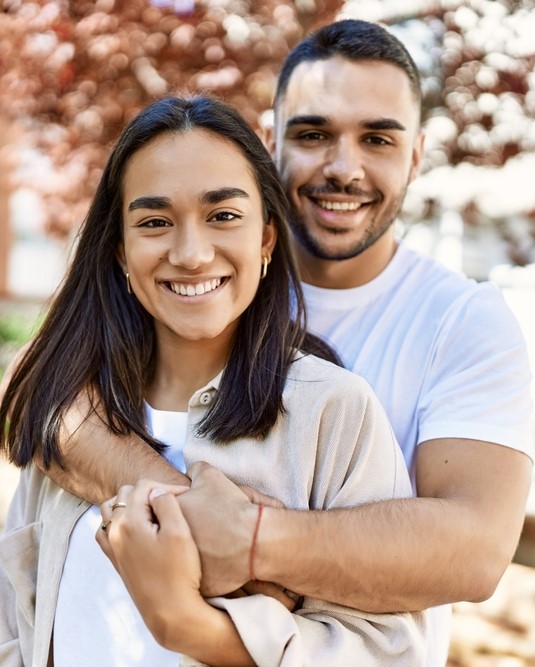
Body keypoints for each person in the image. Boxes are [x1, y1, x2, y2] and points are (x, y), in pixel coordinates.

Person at [1, 17, 533, 666]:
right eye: (313, 135)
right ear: (271, 140)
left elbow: (473, 551)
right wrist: (183, 506)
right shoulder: (187, 291)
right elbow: (39, 397)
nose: (343, 167)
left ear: (416, 154)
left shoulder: (458, 321)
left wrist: (247, 548)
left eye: (377, 139)